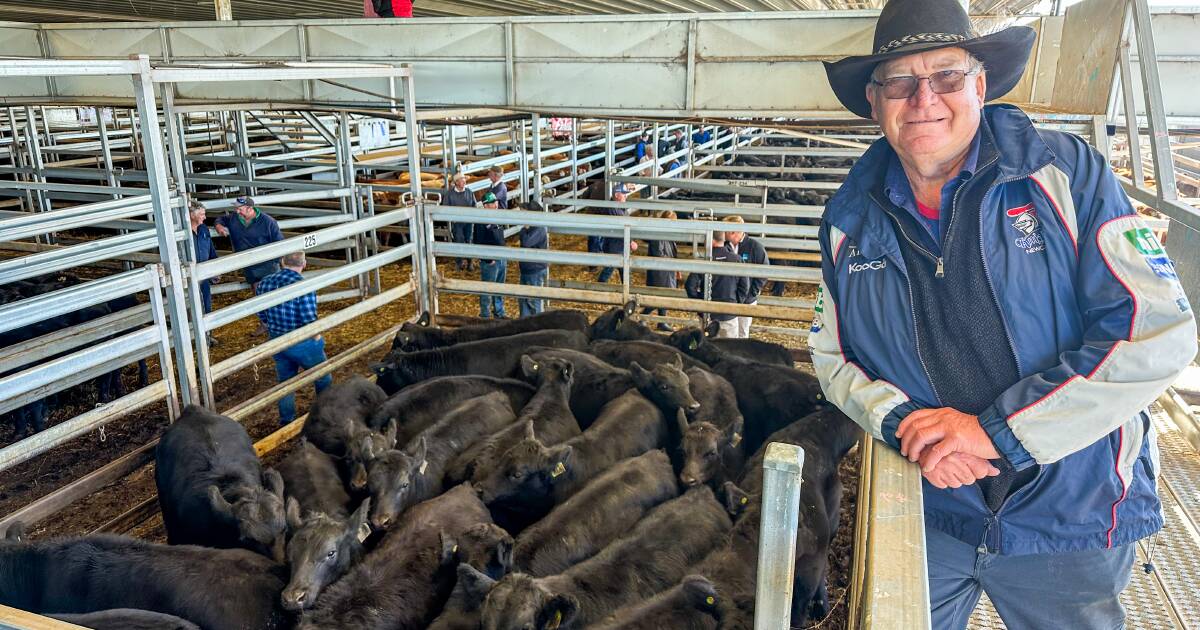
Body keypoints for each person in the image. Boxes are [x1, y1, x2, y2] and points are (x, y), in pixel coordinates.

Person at [811, 1, 1197, 628]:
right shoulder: (848, 220)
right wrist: (907, 424)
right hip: (929, 505)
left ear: (981, 85)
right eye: (900, 82)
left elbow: (1156, 333)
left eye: (946, 76)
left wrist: (994, 432)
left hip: (1072, 514)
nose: (923, 98)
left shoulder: (1067, 175)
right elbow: (832, 358)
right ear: (875, 102)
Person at [255, 251, 333, 426]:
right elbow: (308, 320)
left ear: (282, 261)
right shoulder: (303, 285)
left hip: (276, 339)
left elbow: (261, 312)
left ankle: (287, 420)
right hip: (300, 340)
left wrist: (270, 324)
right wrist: (317, 336)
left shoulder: (265, 283)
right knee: (323, 378)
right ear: (304, 264)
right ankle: (324, 415)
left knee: (285, 383)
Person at [684, 229, 748, 338]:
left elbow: (690, 285)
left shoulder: (704, 261)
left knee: (708, 346)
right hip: (729, 313)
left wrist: (700, 302)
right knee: (730, 347)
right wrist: (736, 303)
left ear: (711, 240)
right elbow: (744, 286)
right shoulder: (736, 259)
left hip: (708, 313)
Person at [214, 195, 285, 292]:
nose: (237, 211)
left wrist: (274, 262)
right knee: (257, 294)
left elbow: (279, 243)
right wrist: (219, 226)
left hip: (268, 267)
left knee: (272, 295)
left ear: (249, 208)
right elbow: (221, 219)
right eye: (237, 209)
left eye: (240, 209)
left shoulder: (268, 222)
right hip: (248, 266)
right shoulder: (234, 218)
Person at [723, 215, 769, 338]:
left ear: (732, 232)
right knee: (728, 334)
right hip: (729, 298)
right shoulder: (724, 246)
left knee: (742, 332)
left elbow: (764, 272)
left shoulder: (755, 247)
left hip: (747, 300)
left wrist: (752, 292)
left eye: (724, 230)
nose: (722, 232)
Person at [642, 210, 681, 331]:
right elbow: (658, 254)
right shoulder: (658, 235)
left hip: (668, 270)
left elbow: (673, 253)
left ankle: (661, 321)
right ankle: (642, 318)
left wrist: (677, 268)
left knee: (665, 297)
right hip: (660, 271)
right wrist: (672, 264)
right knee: (658, 297)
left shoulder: (669, 234)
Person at [473, 192, 507, 318]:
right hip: (491, 261)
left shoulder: (498, 217)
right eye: (493, 202)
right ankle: (485, 314)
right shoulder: (481, 221)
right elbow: (478, 241)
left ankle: (499, 312)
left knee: (500, 287)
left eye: (495, 202)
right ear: (486, 205)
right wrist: (487, 259)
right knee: (487, 288)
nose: (496, 204)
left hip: (501, 257)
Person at [596, 184, 637, 283]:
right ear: (617, 195)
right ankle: (598, 287)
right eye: (623, 194)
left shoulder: (617, 207)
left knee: (621, 269)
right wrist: (631, 242)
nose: (626, 196)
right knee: (611, 268)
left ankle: (627, 289)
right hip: (615, 246)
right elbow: (621, 228)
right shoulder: (613, 209)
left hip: (617, 245)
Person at [518, 199, 550, 317]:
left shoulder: (538, 228)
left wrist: (524, 229)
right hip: (528, 268)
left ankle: (537, 324)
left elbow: (526, 242)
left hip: (535, 269)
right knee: (524, 299)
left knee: (533, 300)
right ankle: (526, 324)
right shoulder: (531, 228)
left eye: (524, 212)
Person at [188, 201, 218, 315]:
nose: (205, 217)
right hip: (188, 276)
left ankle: (207, 332)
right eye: (201, 214)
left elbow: (211, 250)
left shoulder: (204, 229)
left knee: (206, 304)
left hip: (203, 274)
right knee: (190, 306)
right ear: (192, 215)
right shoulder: (181, 233)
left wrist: (215, 269)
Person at [443, 172, 477, 271]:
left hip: (468, 221)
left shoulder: (469, 192)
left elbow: (474, 205)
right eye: (462, 180)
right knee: (458, 240)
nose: (464, 182)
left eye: (464, 180)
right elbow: (445, 207)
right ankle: (459, 262)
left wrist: (472, 215)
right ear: (456, 182)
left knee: (469, 240)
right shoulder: (450, 194)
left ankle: (470, 262)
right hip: (457, 222)